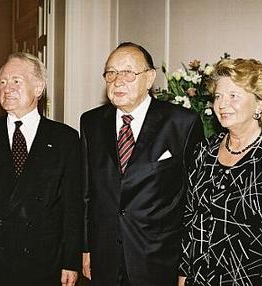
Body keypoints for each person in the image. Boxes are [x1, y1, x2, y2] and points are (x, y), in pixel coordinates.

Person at [0, 52, 82, 286]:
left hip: (43, 259)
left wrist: (70, 261)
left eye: (16, 81)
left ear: (39, 88)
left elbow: (72, 207)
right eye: (2, 82)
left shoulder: (65, 138)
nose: (7, 88)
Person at [178, 58, 262, 286]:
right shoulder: (204, 152)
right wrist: (182, 279)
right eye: (218, 96)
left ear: (259, 103)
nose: (221, 104)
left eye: (233, 96)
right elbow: (191, 224)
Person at [80, 42, 204, 286]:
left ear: (149, 78)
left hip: (158, 259)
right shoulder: (91, 122)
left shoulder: (182, 123)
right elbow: (86, 193)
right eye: (111, 73)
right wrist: (86, 248)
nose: (117, 81)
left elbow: (195, 201)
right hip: (105, 257)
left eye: (127, 72)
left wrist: (186, 264)